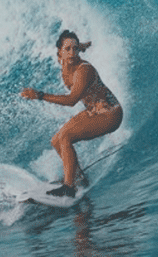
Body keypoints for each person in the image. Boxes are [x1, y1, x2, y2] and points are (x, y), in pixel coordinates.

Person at [21, 30, 123, 198]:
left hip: (110, 114)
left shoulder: (83, 71)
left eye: (75, 49)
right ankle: (78, 178)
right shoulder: (64, 60)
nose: (72, 53)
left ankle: (69, 188)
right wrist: (81, 45)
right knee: (56, 141)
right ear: (59, 52)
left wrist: (40, 95)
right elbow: (72, 48)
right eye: (67, 49)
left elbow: (72, 100)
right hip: (93, 111)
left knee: (66, 137)